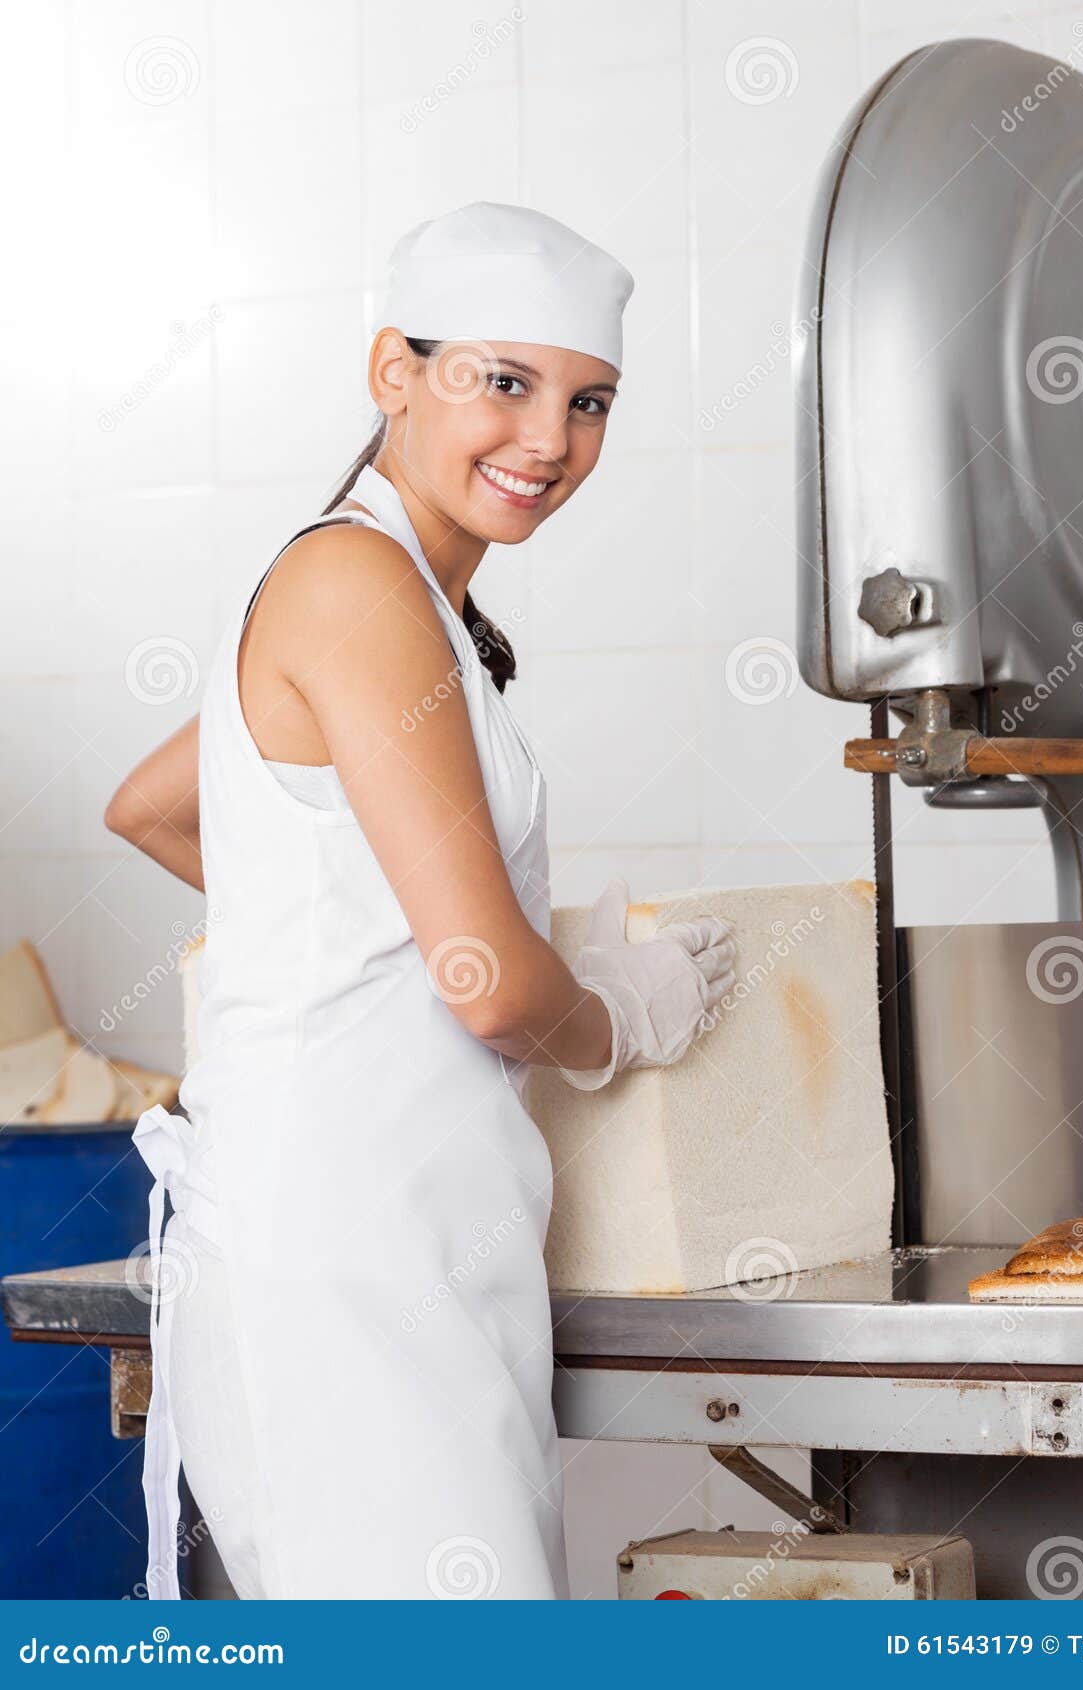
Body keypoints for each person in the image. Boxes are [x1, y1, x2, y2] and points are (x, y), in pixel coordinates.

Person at [105, 201, 736, 1600]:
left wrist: (353, 914)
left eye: (589, 402)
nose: (549, 441)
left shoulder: (410, 602)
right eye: (501, 383)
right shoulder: (352, 581)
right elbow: (492, 984)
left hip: (409, 1251)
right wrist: (621, 1013)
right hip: (346, 1264)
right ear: (394, 369)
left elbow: (156, 801)